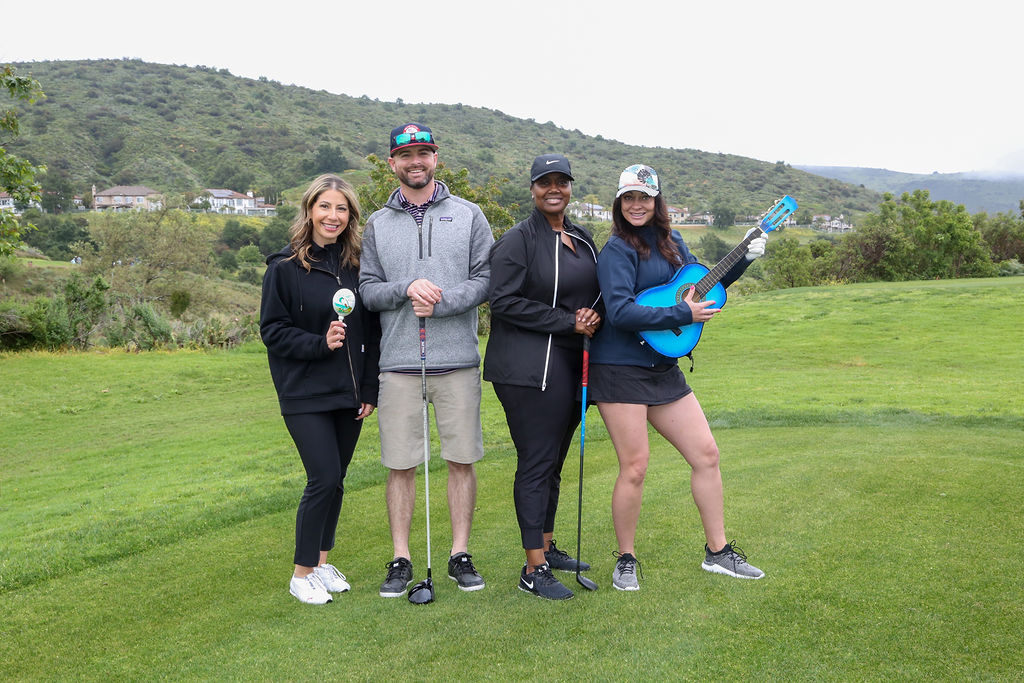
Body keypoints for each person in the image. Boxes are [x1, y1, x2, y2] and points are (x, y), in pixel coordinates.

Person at [589, 163, 767, 591]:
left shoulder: (673, 243)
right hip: (619, 368)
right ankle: (626, 559)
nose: (636, 205)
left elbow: (699, 286)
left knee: (706, 454)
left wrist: (743, 259)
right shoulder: (616, 250)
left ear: (657, 201)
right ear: (619, 202)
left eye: (644, 198)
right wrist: (681, 314)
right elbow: (621, 312)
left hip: (661, 367)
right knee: (635, 466)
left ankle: (718, 553)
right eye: (629, 198)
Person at [359, 123, 493, 597]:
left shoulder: (470, 214)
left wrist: (444, 302)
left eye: (423, 153)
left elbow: (485, 279)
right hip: (398, 363)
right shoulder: (377, 223)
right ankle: (400, 558)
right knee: (400, 464)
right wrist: (405, 288)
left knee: (461, 460)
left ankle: (459, 554)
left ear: (436, 158)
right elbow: (368, 290)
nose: (415, 161)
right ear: (392, 163)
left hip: (457, 362)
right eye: (406, 155)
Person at [484, 154, 603, 600]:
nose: (554, 189)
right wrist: (568, 321)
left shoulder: (582, 237)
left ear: (570, 187)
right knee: (536, 463)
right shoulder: (518, 240)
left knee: (553, 463)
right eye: (544, 182)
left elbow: (597, 294)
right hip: (527, 370)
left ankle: (547, 549)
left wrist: (591, 316)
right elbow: (502, 301)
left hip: (571, 366)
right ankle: (533, 569)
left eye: (561, 182)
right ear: (532, 189)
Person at [260, 174, 381, 605]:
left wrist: (369, 389)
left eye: (341, 208)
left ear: (351, 216)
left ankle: (321, 564)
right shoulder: (284, 268)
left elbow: (371, 334)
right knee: (323, 478)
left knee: (337, 481)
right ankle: (301, 574)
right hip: (304, 392)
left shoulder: (358, 268)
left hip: (348, 393)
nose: (333, 216)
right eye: (325, 206)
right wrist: (318, 343)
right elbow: (272, 331)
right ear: (310, 210)